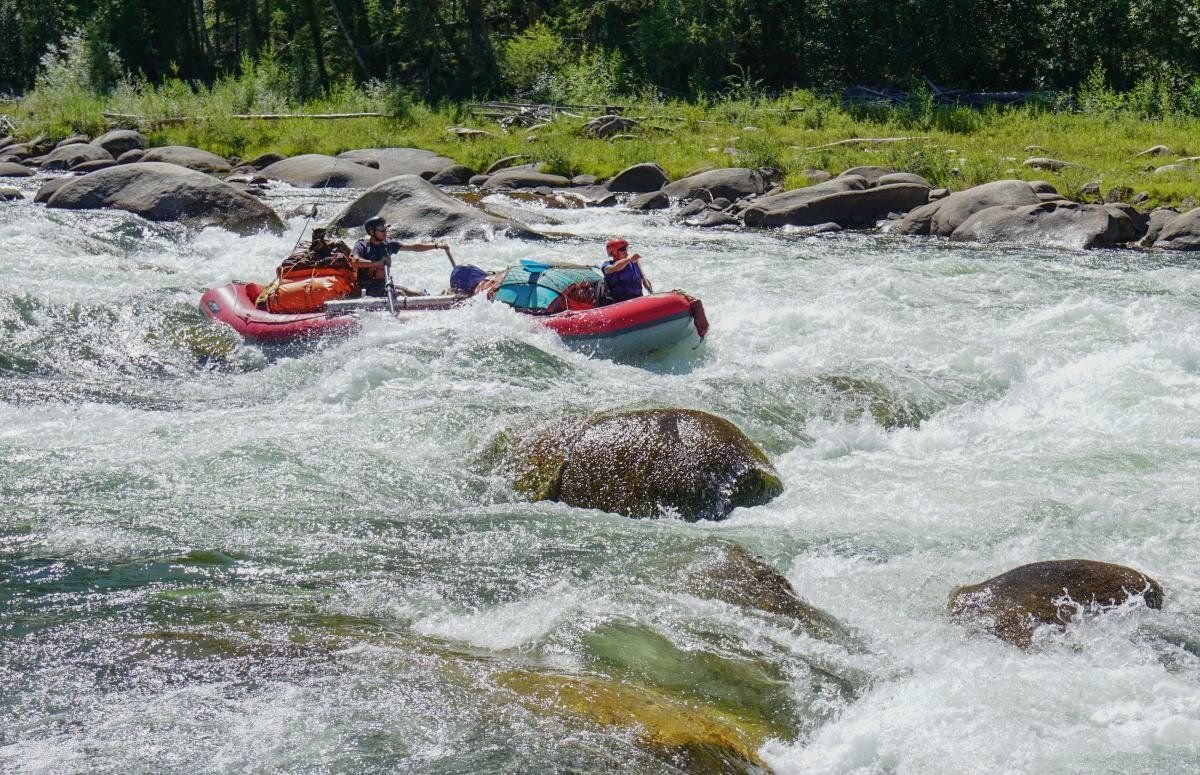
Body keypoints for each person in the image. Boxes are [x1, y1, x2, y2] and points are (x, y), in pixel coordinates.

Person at [351, 216, 450, 297]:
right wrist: (378, 263)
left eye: (386, 228)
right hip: (367, 288)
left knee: (417, 294)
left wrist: (436, 246)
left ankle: (434, 298)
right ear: (372, 232)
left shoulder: (388, 244)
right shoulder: (362, 245)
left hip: (383, 285)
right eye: (382, 229)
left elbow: (413, 247)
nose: (385, 231)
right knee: (399, 294)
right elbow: (354, 262)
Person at [601, 237, 653, 304]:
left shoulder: (634, 262)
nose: (625, 251)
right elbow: (615, 267)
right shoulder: (606, 265)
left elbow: (644, 279)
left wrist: (651, 291)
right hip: (619, 304)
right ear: (614, 252)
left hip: (638, 300)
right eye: (622, 249)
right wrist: (629, 259)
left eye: (626, 248)